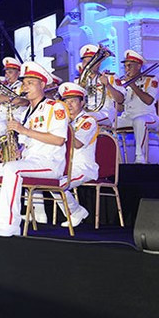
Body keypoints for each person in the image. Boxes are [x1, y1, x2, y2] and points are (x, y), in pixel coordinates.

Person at [0, 62, 69, 237]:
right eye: (24, 83)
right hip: (31, 161)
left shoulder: (54, 107)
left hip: (50, 163)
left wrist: (24, 130)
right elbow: (28, 141)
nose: (25, 87)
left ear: (42, 84)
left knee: (13, 170)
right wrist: (18, 149)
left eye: (30, 83)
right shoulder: (28, 112)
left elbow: (58, 140)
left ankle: (11, 223)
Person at [48, 83, 96, 227]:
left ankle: (75, 212)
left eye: (73, 101)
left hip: (83, 168)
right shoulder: (65, 121)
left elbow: (78, 143)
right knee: (47, 181)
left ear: (82, 102)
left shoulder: (88, 121)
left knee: (56, 184)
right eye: (66, 102)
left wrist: (61, 130)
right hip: (64, 167)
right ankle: (73, 212)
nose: (69, 105)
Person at [116, 49, 159, 164]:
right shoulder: (123, 83)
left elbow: (149, 100)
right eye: (125, 66)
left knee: (139, 121)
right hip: (128, 117)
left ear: (139, 66)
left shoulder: (151, 80)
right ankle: (116, 161)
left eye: (130, 66)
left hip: (148, 116)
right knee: (109, 124)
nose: (126, 69)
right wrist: (115, 96)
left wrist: (133, 85)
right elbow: (120, 109)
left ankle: (140, 158)